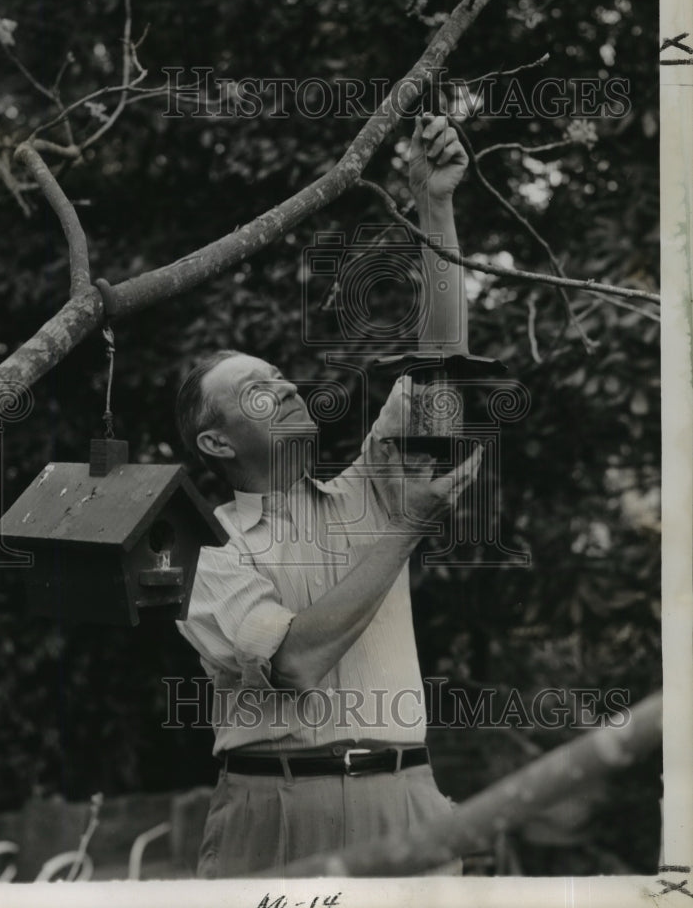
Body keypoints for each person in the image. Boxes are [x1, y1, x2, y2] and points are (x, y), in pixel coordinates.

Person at [174, 114, 480, 877]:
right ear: (215, 443)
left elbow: (439, 370)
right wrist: (407, 529)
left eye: (277, 376)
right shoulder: (207, 553)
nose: (279, 387)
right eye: (251, 390)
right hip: (271, 817)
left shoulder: (368, 489)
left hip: (401, 801)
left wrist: (433, 206)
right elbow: (298, 661)